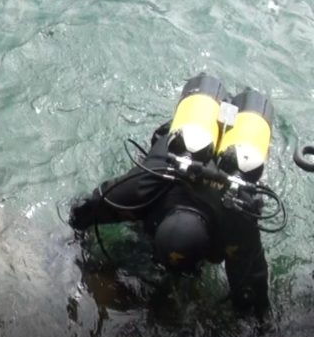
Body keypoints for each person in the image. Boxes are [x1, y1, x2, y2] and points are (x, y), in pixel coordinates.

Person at [69, 74, 276, 316]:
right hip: (186, 148)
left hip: (232, 169)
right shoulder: (144, 188)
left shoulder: (237, 220)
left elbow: (253, 288)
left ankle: (232, 123)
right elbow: (90, 208)